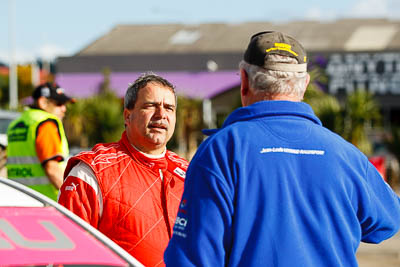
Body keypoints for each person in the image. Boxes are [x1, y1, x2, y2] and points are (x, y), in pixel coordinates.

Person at [164, 31, 400, 266]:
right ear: (305, 84)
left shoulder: (221, 151)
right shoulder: (344, 154)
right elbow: (387, 221)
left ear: (244, 81)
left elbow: (192, 257)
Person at [58, 73, 188, 267]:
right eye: (150, 106)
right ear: (128, 116)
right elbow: (66, 254)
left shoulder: (189, 172)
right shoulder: (92, 171)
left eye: (169, 108)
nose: (161, 114)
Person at [7, 82, 74, 201]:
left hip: (18, 199)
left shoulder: (16, 124)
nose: (64, 109)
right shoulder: (45, 123)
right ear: (43, 102)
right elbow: (52, 168)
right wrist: (73, 199)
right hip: (47, 202)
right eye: (59, 104)